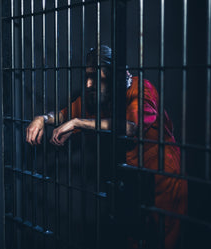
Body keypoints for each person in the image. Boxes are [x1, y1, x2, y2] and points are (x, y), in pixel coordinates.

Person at [26, 45, 187, 249]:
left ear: (114, 77)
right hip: (132, 181)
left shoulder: (141, 89)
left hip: (163, 178)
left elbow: (130, 127)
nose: (88, 83)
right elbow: (63, 115)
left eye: (95, 77)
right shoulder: (99, 97)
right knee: (132, 240)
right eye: (87, 76)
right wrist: (41, 119)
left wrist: (77, 123)